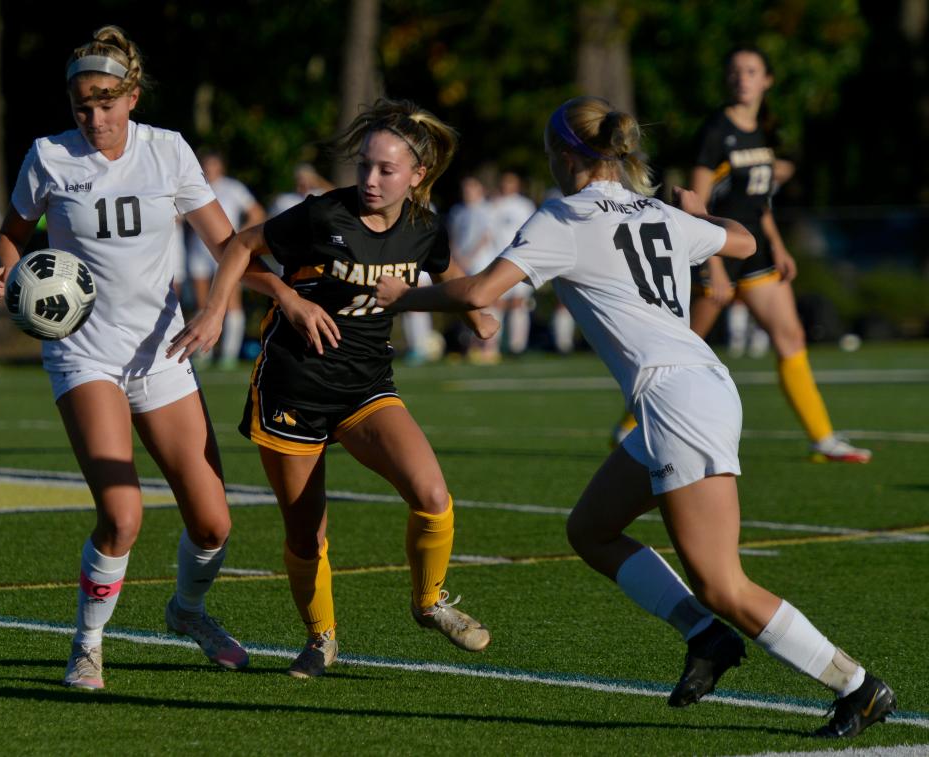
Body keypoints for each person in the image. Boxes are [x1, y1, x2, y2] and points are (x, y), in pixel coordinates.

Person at [375, 96, 896, 739]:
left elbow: (481, 291)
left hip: (678, 400)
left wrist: (404, 298)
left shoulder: (563, 216)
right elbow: (743, 239)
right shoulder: (655, 210)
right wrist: (697, 213)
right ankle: (707, 640)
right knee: (591, 529)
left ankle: (858, 686)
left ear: (568, 157)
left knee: (722, 581)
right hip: (691, 389)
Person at [0, 25, 281, 690]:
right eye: (81, 105)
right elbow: (11, 236)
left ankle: (187, 609)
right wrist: (6, 273)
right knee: (122, 514)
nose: (94, 117)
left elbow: (227, 246)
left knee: (213, 522)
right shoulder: (49, 157)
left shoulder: (168, 152)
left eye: (106, 102)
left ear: (133, 97)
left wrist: (282, 290)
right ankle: (87, 643)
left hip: (162, 351)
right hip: (83, 353)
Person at [167, 98, 494, 679]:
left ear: (416, 177)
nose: (370, 179)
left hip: (367, 386)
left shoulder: (424, 226)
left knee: (433, 496)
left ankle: (429, 602)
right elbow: (239, 246)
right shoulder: (322, 216)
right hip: (293, 387)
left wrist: (475, 313)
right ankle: (321, 639)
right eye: (364, 165)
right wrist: (251, 305)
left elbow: (450, 273)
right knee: (306, 531)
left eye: (386, 170)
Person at [614, 45, 870, 463]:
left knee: (791, 338)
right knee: (684, 347)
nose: (741, 78)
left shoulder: (764, 129)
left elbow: (760, 199)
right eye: (734, 71)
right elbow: (693, 201)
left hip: (758, 252)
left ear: (766, 80)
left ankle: (822, 439)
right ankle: (627, 428)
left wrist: (779, 244)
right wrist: (713, 264)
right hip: (719, 250)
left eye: (751, 71)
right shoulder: (715, 131)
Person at [185, 149, 266, 369]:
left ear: (221, 167)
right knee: (202, 302)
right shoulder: (193, 183)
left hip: (225, 250)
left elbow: (256, 213)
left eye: (213, 165)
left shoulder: (232, 187)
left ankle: (229, 353)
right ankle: (203, 353)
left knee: (230, 301)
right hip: (197, 250)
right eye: (206, 165)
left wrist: (241, 239)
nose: (210, 169)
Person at [446, 176, 502, 363]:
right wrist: (457, 258)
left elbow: (485, 236)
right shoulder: (458, 211)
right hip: (462, 263)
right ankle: (473, 345)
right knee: (466, 304)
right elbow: (453, 237)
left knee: (486, 301)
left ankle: (490, 347)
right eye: (465, 188)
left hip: (480, 262)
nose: (467, 192)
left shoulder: (486, 210)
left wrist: (469, 257)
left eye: (471, 188)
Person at [490, 172, 536, 355]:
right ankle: (492, 345)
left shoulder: (524, 205)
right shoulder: (494, 204)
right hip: (498, 259)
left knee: (518, 302)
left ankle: (517, 346)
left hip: (520, 260)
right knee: (497, 301)